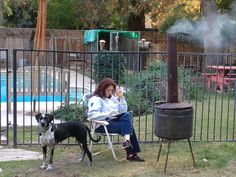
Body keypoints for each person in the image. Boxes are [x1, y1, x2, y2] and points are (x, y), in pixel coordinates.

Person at [87, 78, 145, 162]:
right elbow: (92, 115)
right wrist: (108, 114)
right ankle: (131, 153)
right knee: (129, 126)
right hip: (102, 125)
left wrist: (121, 98)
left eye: (112, 90)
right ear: (102, 89)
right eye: (108, 90)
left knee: (127, 115)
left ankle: (127, 142)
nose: (110, 92)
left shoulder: (112, 98)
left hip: (113, 121)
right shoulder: (96, 99)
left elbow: (123, 111)